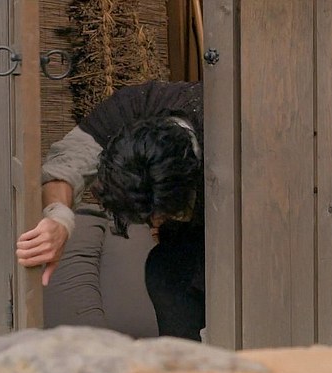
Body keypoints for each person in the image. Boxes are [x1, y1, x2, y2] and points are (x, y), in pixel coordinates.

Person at [15, 80, 205, 341]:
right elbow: (66, 162)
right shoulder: (132, 107)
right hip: (180, 256)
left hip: (247, 241)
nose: (155, 223)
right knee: (164, 273)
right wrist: (59, 218)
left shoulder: (228, 122)